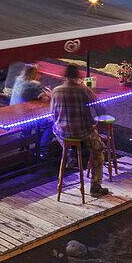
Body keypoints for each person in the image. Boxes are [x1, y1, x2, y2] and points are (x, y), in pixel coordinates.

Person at [51, 64, 110, 196]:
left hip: (64, 132)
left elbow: (53, 115)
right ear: (78, 76)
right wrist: (96, 123)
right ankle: (95, 186)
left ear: (65, 76)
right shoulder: (83, 90)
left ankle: (69, 153)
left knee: (54, 127)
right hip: (84, 131)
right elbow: (101, 108)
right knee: (99, 149)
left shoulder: (56, 91)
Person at [10, 64, 55, 154]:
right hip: (25, 117)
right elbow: (48, 97)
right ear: (34, 73)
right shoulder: (34, 84)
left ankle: (23, 145)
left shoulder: (19, 79)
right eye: (38, 73)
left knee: (30, 117)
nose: (39, 75)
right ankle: (42, 151)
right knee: (50, 124)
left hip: (13, 113)